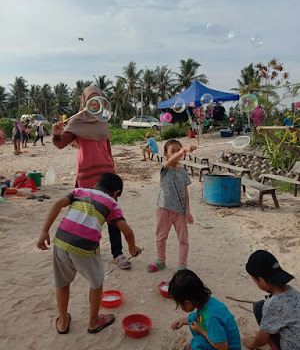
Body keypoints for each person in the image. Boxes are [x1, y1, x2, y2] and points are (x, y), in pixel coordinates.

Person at [37, 172, 142, 334]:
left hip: (61, 240)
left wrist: (44, 231)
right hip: (84, 247)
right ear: (116, 194)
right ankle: (93, 321)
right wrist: (132, 248)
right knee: (97, 282)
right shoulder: (112, 204)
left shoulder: (79, 191)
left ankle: (63, 320)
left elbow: (58, 204)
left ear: (96, 184)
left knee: (63, 282)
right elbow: (127, 231)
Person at [52, 86, 130, 269]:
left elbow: (108, 149)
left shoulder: (103, 120)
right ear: (85, 102)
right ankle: (86, 251)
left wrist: (113, 170)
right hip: (87, 175)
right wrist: (56, 133)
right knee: (86, 215)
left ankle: (117, 254)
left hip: (107, 174)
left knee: (113, 215)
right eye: (91, 100)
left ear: (103, 102)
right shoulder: (77, 121)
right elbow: (61, 143)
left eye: (98, 100)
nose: (95, 103)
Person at [147, 139, 197, 272]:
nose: (176, 154)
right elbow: (171, 160)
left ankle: (182, 267)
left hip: (180, 212)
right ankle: (161, 261)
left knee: (183, 240)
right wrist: (184, 149)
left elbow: (186, 194)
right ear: (166, 154)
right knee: (161, 237)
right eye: (172, 151)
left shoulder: (184, 173)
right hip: (164, 209)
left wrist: (188, 211)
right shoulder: (164, 168)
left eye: (178, 150)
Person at [169, 269, 241, 350]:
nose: (181, 307)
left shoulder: (211, 318)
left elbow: (222, 346)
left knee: (197, 344)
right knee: (191, 319)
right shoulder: (207, 302)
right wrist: (182, 320)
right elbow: (199, 317)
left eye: (180, 304)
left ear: (188, 302)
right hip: (219, 338)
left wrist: (200, 331)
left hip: (226, 347)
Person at [242, 249, 300, 350]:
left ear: (262, 281)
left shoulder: (272, 305)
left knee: (258, 307)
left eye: (256, 282)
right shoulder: (293, 291)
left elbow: (262, 341)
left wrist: (253, 344)